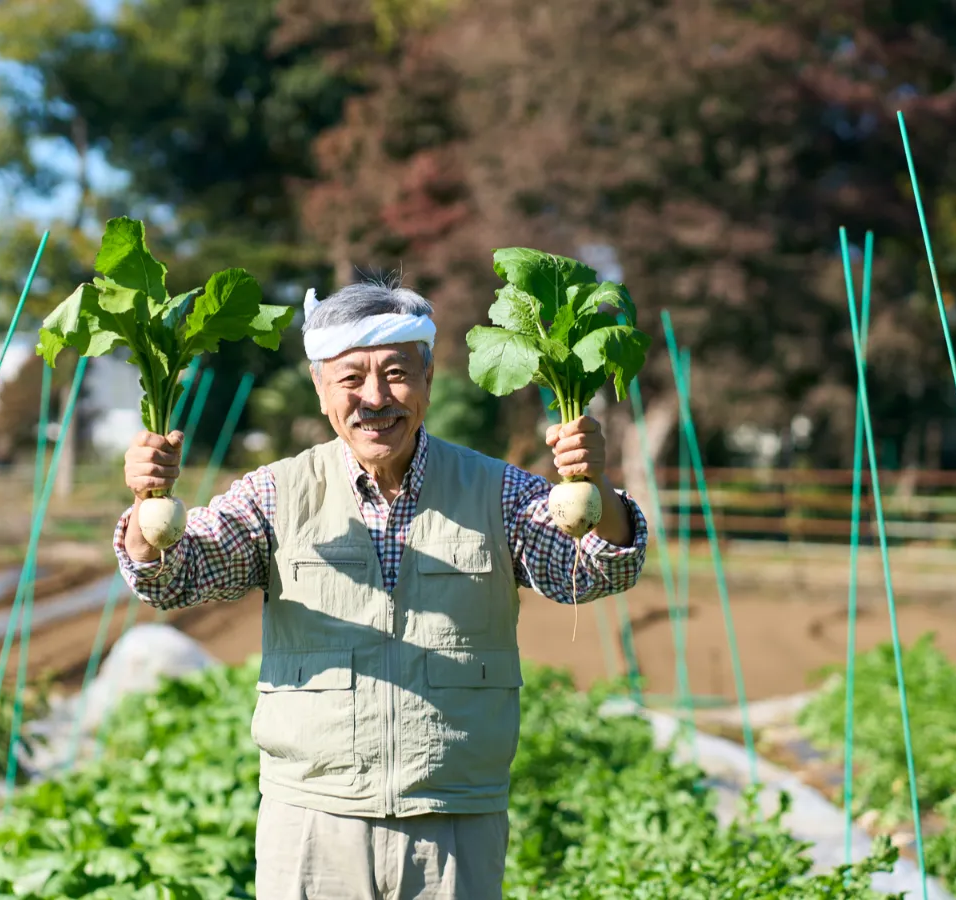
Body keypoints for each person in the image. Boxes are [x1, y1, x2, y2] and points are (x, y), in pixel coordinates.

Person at [114, 277, 649, 899]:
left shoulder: (496, 492)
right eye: (350, 379)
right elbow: (177, 576)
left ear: (425, 382)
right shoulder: (276, 493)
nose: (375, 398)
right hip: (314, 819)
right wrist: (149, 513)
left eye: (396, 374)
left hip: (455, 820)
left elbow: (594, 569)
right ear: (321, 391)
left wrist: (596, 486)